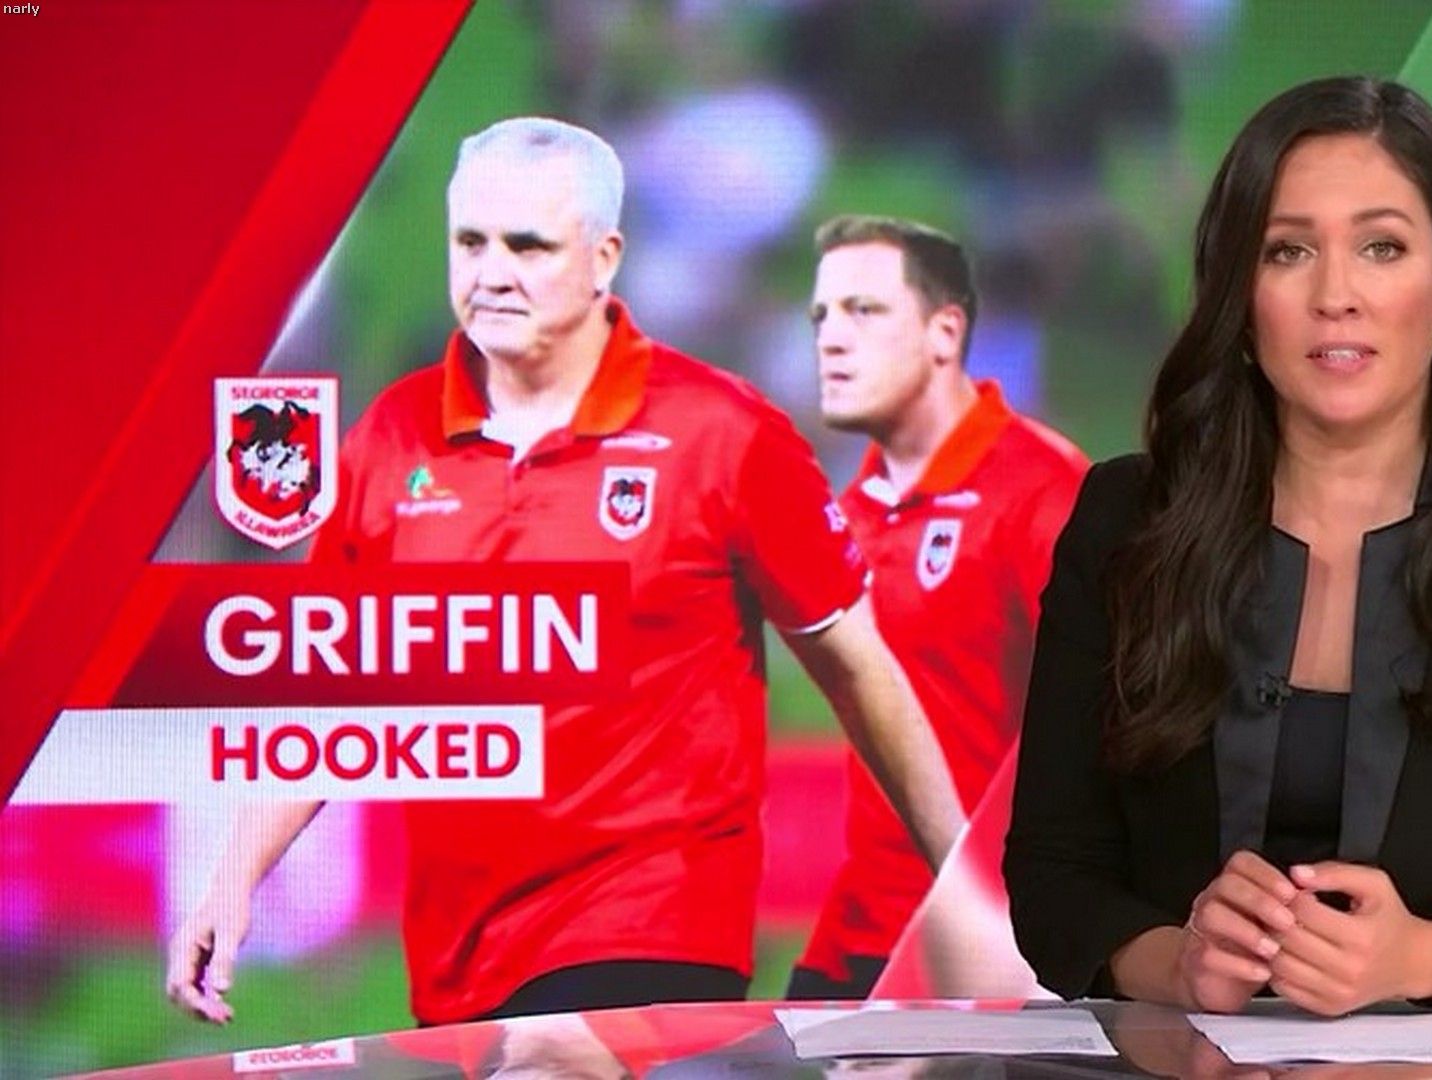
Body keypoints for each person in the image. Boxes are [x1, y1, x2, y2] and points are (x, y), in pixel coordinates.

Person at [165, 118, 966, 1026]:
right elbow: (333, 700)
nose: (491, 272)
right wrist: (232, 881)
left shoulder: (724, 436)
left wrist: (966, 885)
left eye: (528, 246)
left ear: (603, 258)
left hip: (654, 922)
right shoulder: (390, 440)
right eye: (470, 242)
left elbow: (858, 670)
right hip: (461, 954)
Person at [1003, 76, 1432, 1015]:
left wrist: (1420, 960)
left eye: (1381, 247)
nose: (1336, 296)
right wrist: (1178, 964)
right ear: (1241, 293)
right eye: (1288, 251)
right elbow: (1054, 878)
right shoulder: (1127, 518)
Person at [785, 216, 1089, 999]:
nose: (831, 338)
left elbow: (1114, 717)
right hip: (866, 931)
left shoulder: (1041, 490)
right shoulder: (854, 508)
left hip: (992, 944)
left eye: (864, 311)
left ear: (944, 332)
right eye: (822, 316)